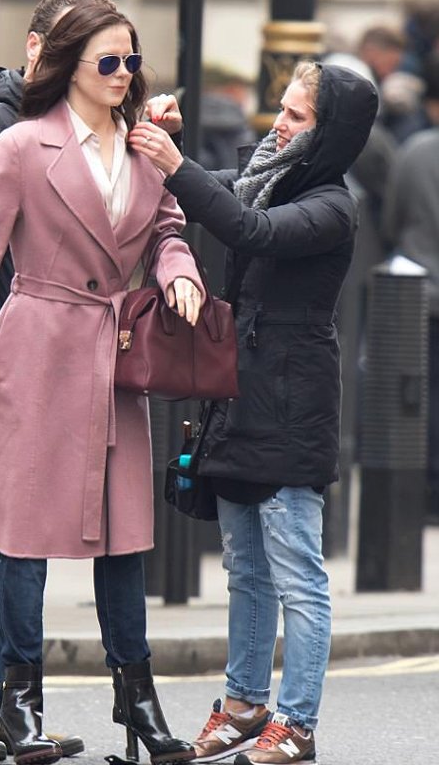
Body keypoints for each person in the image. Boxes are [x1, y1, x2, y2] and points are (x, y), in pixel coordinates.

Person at [0, 0, 203, 765]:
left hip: (112, 360)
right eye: (108, 63)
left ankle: (138, 699)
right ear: (71, 66)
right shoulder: (20, 144)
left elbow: (169, 228)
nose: (123, 75)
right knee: (18, 532)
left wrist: (178, 274)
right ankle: (19, 702)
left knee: (124, 538)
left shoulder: (147, 148)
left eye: (131, 62)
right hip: (34, 351)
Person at [129, 61, 378, 764]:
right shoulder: (266, 177)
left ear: (328, 133)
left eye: (297, 116)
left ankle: (295, 723)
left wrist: (178, 164)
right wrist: (174, 139)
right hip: (240, 398)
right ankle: (243, 705)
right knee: (244, 570)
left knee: (297, 574)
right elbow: (232, 205)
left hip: (293, 405)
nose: (279, 120)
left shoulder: (332, 203)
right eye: (282, 107)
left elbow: (248, 229)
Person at [0, 0, 116, 763]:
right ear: (36, 48)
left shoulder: (55, 129)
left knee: (26, 539)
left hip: (52, 359)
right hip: (11, 356)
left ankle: (14, 708)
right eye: (71, 52)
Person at [383, 51, 439, 522]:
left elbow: (391, 219)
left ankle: (422, 490)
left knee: (416, 395)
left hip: (417, 293)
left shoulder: (415, 152)